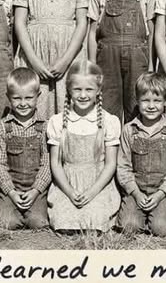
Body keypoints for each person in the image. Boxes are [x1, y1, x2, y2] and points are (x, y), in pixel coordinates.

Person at [88, 0, 156, 124]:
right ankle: (110, 143)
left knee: (138, 106)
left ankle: (134, 143)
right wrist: (92, 66)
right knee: (107, 111)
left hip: (138, 61)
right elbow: (92, 33)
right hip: (106, 61)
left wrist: (151, 66)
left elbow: (152, 33)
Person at [46, 60, 121, 232]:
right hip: (67, 183)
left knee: (94, 220)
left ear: (99, 90)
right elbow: (56, 164)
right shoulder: (58, 121)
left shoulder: (109, 121)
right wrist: (70, 191)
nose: (83, 95)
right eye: (77, 89)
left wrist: (92, 192)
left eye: (89, 89)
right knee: (64, 220)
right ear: (68, 89)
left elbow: (111, 164)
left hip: (98, 183)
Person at [116, 72, 166, 236]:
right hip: (136, 190)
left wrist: (160, 195)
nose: (151, 106)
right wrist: (136, 193)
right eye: (145, 100)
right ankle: (139, 216)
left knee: (160, 228)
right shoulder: (129, 130)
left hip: (162, 192)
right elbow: (123, 168)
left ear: (165, 101)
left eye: (157, 101)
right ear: (137, 100)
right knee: (129, 226)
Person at [0, 67, 50, 230]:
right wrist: (11, 192)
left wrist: (36, 190)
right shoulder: (2, 127)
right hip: (10, 187)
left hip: (36, 188)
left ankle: (30, 212)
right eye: (17, 98)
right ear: (8, 97)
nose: (23, 103)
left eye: (29, 98)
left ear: (38, 96)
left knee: (38, 222)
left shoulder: (45, 127)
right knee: (7, 223)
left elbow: (47, 164)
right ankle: (11, 210)